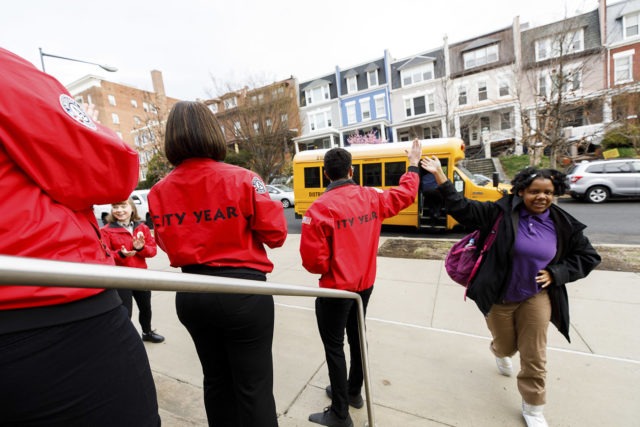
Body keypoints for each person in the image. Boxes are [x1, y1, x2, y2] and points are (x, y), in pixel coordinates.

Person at [0, 48, 160, 425]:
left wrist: (140, 245)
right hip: (54, 316)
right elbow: (110, 170)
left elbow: (150, 246)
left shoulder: (136, 225)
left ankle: (148, 327)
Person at [420, 156, 601, 427]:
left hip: (536, 295)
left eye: (548, 192)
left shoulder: (563, 224)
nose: (542, 197)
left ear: (556, 193)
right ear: (521, 192)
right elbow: (462, 208)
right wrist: (440, 177)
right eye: (535, 191)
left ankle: (534, 406)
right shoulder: (500, 213)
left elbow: (588, 256)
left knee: (534, 353)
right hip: (500, 296)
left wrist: (557, 273)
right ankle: (499, 351)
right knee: (507, 345)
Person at [148, 100, 287, 427]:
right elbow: (276, 235)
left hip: (192, 291)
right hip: (242, 291)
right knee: (253, 388)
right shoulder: (242, 178)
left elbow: (165, 244)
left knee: (216, 381)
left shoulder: (158, 191)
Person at [300, 139, 422, 427]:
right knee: (356, 339)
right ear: (351, 171)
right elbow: (405, 194)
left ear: (326, 174)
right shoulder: (372, 197)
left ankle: (340, 413)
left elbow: (313, 263)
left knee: (334, 347)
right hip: (364, 286)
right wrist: (413, 165)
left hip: (335, 290)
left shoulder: (319, 209)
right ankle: (353, 392)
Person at [101, 199, 165, 343]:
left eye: (123, 206)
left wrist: (139, 248)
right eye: (115, 206)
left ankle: (147, 332)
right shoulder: (105, 230)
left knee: (146, 307)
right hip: (121, 278)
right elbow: (106, 255)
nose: (119, 210)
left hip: (141, 275)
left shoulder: (142, 227)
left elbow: (152, 251)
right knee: (125, 311)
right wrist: (122, 254)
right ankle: (125, 339)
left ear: (132, 208)